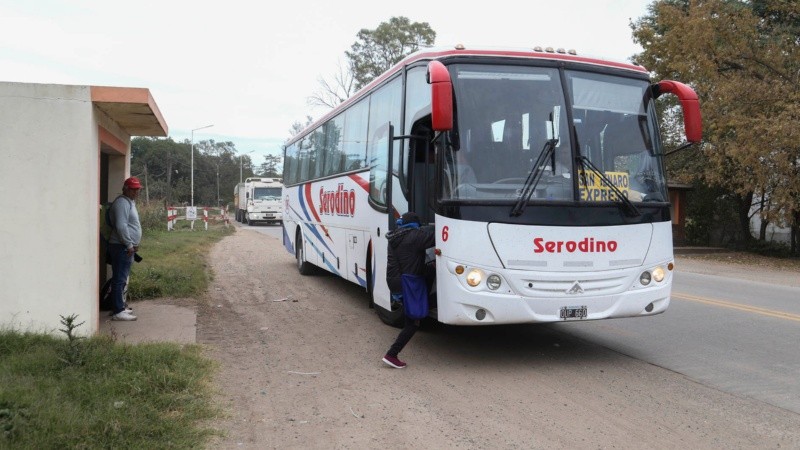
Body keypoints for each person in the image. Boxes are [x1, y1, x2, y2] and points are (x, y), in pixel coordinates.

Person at [382, 211, 435, 369]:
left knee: (412, 315)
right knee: (413, 322)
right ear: (414, 225)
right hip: (408, 283)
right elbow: (437, 237)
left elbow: (409, 260)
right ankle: (391, 355)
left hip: (397, 281)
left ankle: (392, 355)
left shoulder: (395, 236)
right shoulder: (414, 236)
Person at [107, 176, 143, 321]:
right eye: (133, 189)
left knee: (121, 278)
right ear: (126, 189)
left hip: (126, 247)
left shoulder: (130, 202)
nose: (136, 192)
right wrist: (129, 244)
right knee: (119, 279)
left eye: (137, 189)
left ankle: (119, 306)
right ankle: (117, 311)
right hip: (121, 247)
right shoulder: (122, 203)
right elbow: (121, 226)